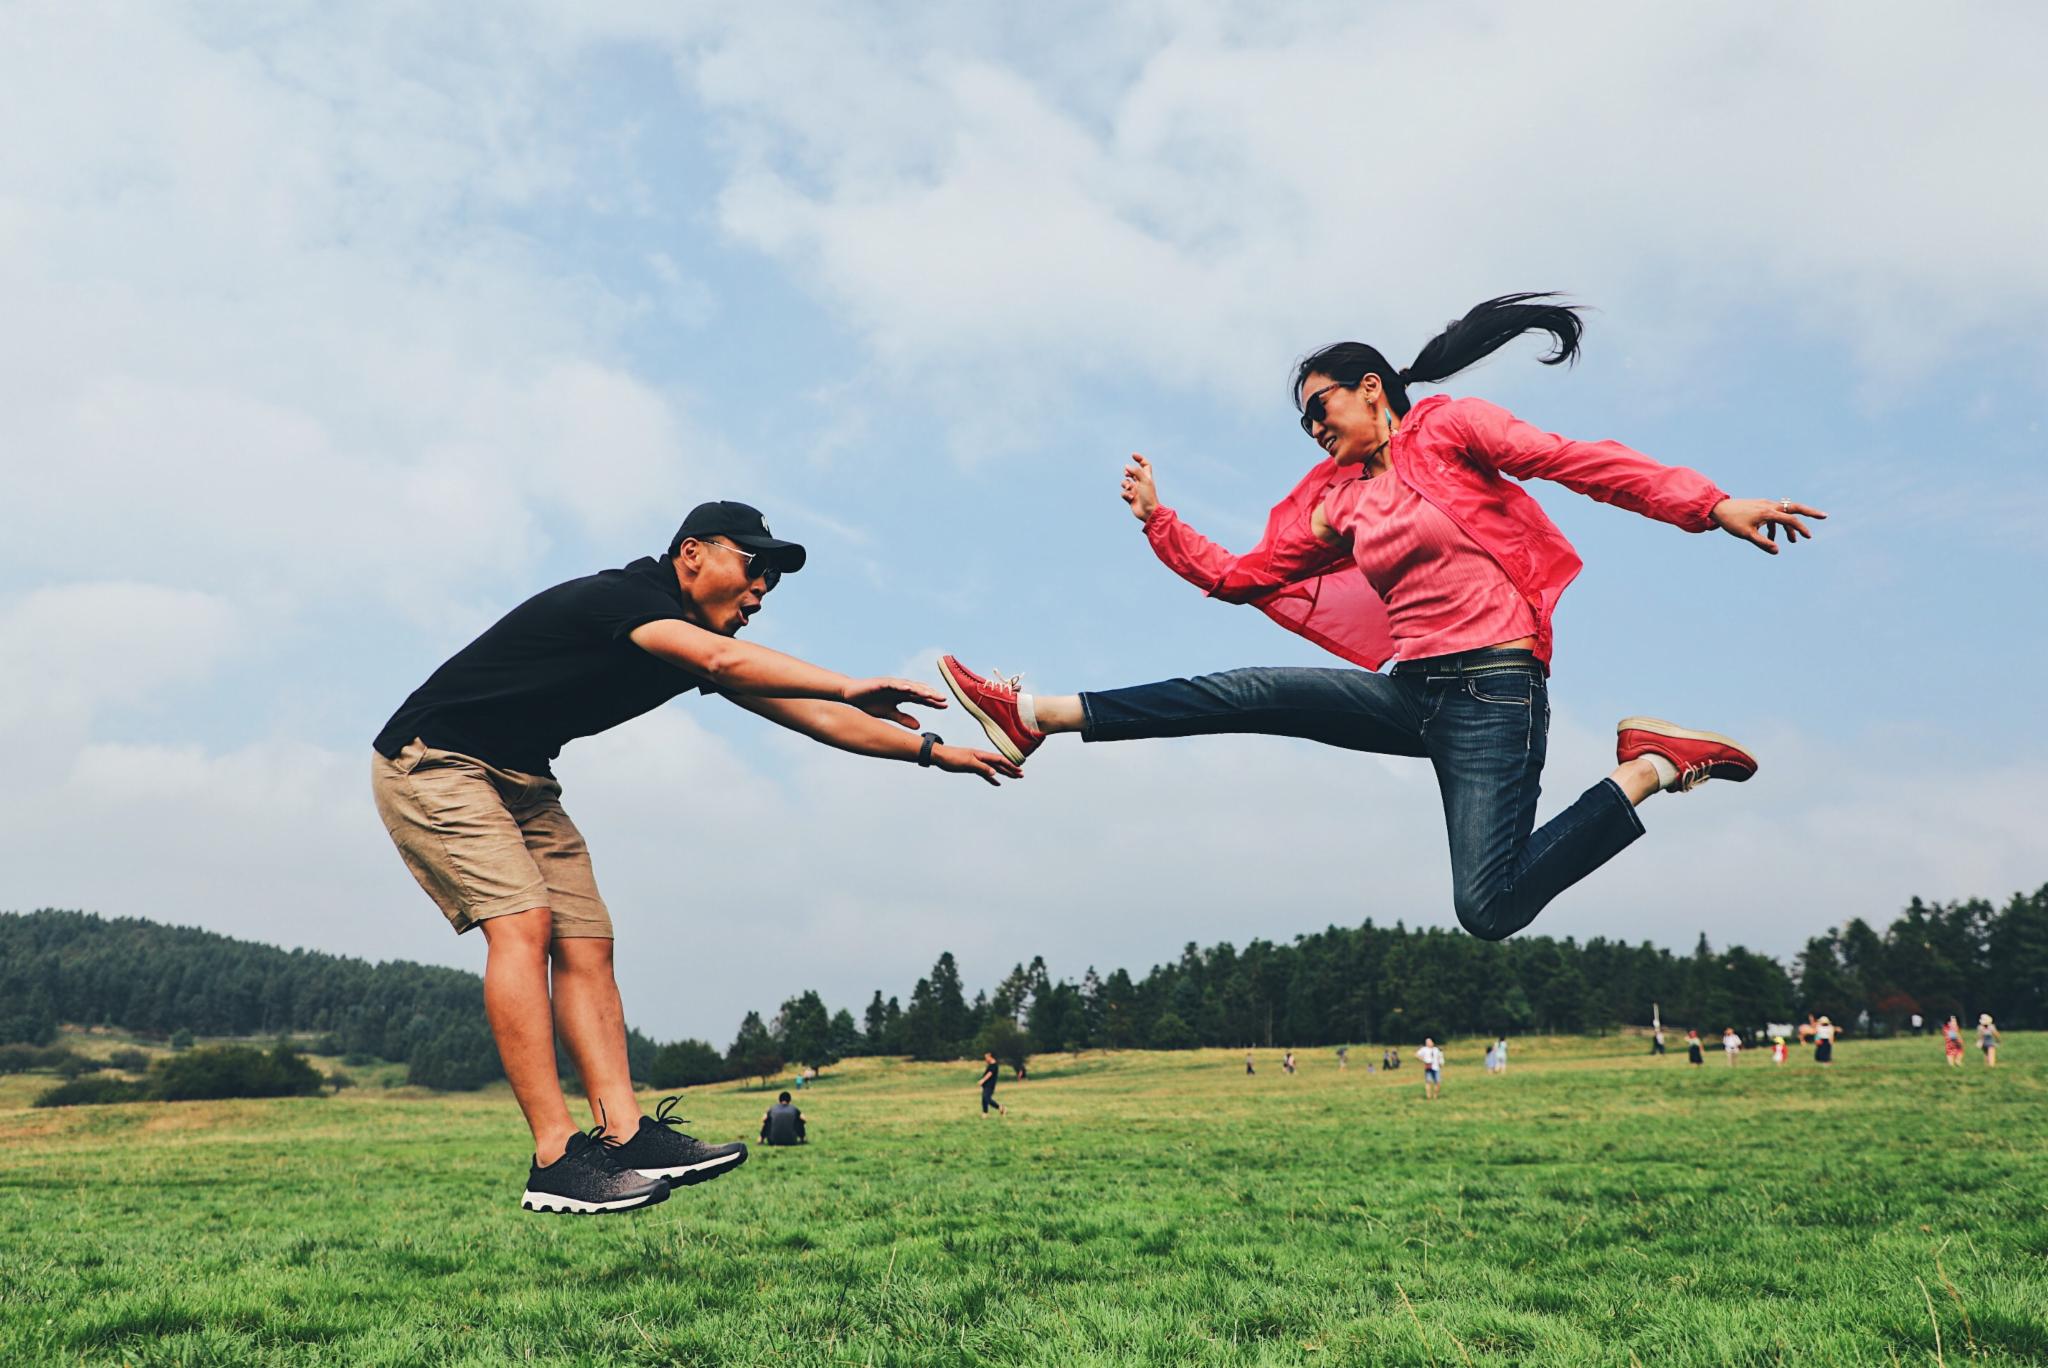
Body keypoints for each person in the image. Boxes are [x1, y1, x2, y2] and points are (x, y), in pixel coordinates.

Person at [937, 295, 1822, 947]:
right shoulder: (1339, 506)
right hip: (1414, 694)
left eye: (1318, 408)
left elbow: (1579, 462)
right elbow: (1248, 578)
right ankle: (1036, 713)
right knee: (1247, 691)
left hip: (1495, 697)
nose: (1311, 428)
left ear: (1370, 391)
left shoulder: (1453, 430)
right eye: (1301, 421)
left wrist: (1712, 505)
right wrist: (1161, 524)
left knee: (1488, 909)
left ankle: (1651, 767)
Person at [371, 501, 1019, 1215]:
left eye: (772, 576)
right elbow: (736, 663)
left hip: (523, 782)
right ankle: (555, 1157)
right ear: (692, 554)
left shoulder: (692, 643)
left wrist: (935, 752)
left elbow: (821, 717)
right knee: (523, 925)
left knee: (587, 940)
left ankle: (625, 1136)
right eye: (752, 565)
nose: (762, 589)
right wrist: (845, 679)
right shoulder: (630, 600)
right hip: (434, 761)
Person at [977, 1051, 1006, 1116]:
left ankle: (1000, 1107)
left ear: (990, 1057)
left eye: (986, 1057)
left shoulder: (994, 1065)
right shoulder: (991, 1065)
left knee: (986, 1098)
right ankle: (985, 1113)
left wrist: (982, 1080)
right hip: (986, 1085)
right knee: (984, 1099)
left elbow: (989, 1074)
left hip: (990, 1085)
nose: (986, 1059)